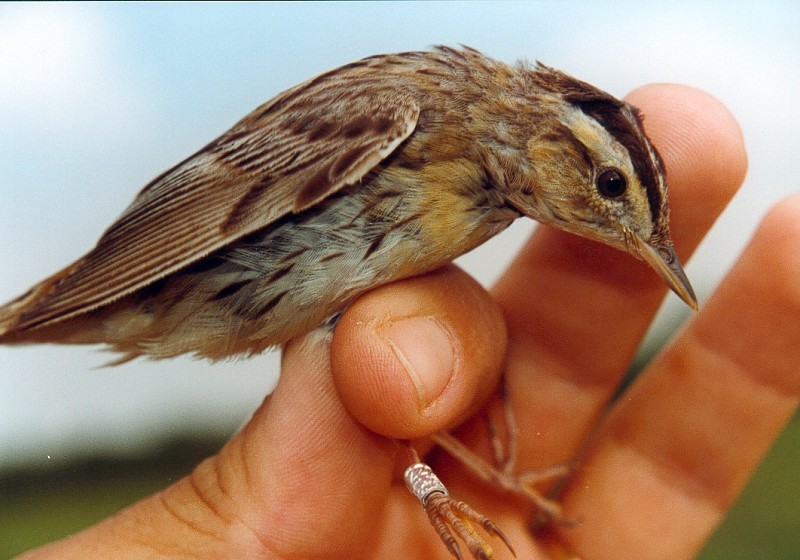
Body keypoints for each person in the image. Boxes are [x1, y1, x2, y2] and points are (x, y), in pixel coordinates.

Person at [19, 84, 798, 560]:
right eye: (604, 185)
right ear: (546, 144)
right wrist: (429, 486)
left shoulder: (485, 200)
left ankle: (452, 474)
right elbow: (238, 224)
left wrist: (448, 469)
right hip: (190, 267)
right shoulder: (396, 115)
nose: (621, 231)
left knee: (387, 362)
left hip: (269, 308)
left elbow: (338, 336)